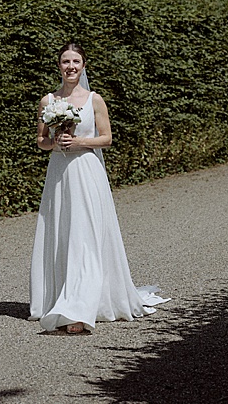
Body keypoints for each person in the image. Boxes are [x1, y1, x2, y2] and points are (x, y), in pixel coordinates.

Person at [29, 42, 170, 335]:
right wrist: (53, 143)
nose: (70, 66)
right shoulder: (48, 101)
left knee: (86, 236)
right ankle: (60, 297)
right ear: (59, 66)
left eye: (76, 61)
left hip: (87, 171)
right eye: (65, 61)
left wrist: (79, 142)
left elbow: (106, 139)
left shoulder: (94, 100)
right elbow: (40, 141)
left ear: (83, 65)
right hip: (60, 175)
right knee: (64, 233)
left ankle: (79, 308)